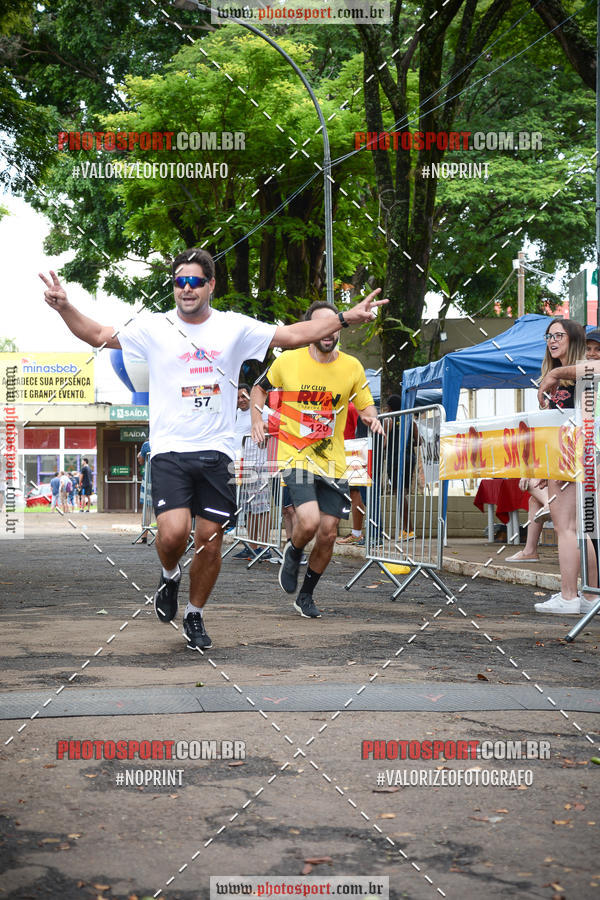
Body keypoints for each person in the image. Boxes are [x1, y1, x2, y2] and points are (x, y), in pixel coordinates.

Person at [40, 251, 387, 650]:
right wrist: (65, 307)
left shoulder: (233, 328)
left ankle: (195, 614)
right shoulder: (155, 327)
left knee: (209, 539)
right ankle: (169, 575)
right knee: (173, 534)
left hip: (217, 453)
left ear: (210, 285)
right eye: (178, 282)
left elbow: (291, 336)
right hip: (171, 449)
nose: (185, 289)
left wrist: (346, 317)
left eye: (194, 282)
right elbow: (98, 335)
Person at [250, 301, 385, 619]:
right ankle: (293, 551)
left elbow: (365, 404)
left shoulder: (352, 367)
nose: (329, 331)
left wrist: (372, 418)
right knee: (308, 521)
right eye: (322, 325)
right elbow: (258, 388)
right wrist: (257, 419)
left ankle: (306, 595)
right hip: (295, 456)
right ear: (311, 330)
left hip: (333, 462)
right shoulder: (288, 361)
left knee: (327, 532)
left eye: (334, 325)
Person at [532, 318, 597, 615]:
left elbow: (596, 369)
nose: (552, 340)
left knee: (568, 527)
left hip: (580, 454)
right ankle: (588, 596)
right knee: (578, 527)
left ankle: (570, 596)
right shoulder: (558, 379)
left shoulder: (585, 368)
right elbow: (550, 426)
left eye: (559, 335)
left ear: (573, 339)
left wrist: (555, 373)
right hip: (565, 454)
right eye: (549, 336)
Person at [137, 440, 151, 543]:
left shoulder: (147, 444)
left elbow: (141, 461)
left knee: (147, 508)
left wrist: (140, 455)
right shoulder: (170, 442)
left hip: (149, 479)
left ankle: (144, 536)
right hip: (167, 479)